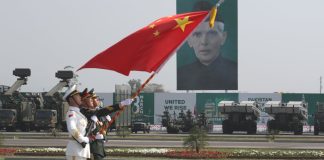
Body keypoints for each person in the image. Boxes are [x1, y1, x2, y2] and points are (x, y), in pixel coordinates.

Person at [177, 1, 237, 90]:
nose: (204, 42)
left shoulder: (236, 72)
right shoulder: (179, 76)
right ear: (189, 40)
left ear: (223, 37)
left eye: (212, 33)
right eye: (197, 34)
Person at [80, 88, 133, 160]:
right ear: (84, 101)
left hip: (98, 146)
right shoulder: (84, 112)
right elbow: (101, 112)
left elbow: (101, 118)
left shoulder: (93, 112)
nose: (92, 101)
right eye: (90, 99)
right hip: (92, 147)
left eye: (93, 99)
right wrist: (120, 104)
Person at [64, 85, 92, 160]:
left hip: (81, 151)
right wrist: (82, 139)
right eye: (77, 96)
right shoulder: (72, 113)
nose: (80, 97)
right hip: (75, 151)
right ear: (71, 99)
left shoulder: (78, 113)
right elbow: (72, 128)